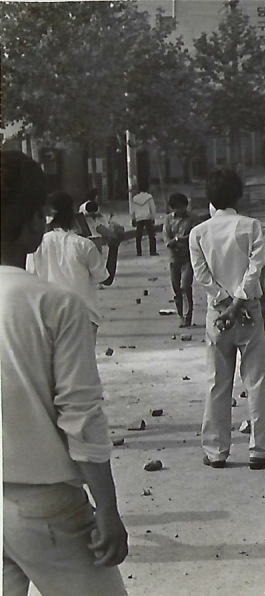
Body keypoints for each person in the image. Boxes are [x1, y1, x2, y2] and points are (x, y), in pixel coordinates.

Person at [1, 150, 128, 596]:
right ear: (36, 221)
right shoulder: (55, 306)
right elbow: (80, 416)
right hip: (46, 503)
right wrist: (108, 509)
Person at [189, 168, 265, 470]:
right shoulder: (250, 226)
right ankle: (260, 449)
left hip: (218, 316)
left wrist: (225, 303)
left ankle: (216, 450)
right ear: (239, 195)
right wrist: (240, 300)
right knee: (255, 381)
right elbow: (257, 268)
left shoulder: (198, 233)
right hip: (248, 312)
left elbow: (202, 276)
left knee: (217, 382)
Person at [27, 192, 118, 334]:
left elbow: (30, 281)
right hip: (83, 318)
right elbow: (107, 279)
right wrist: (114, 247)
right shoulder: (83, 245)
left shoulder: (35, 246)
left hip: (48, 319)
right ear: (73, 215)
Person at [163, 193, 199, 328]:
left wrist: (178, 240)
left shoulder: (193, 219)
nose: (180, 210)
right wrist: (173, 242)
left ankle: (187, 316)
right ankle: (180, 315)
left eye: (182, 207)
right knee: (176, 288)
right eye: (177, 208)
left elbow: (194, 235)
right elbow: (166, 237)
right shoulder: (168, 220)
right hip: (174, 258)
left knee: (185, 286)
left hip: (188, 258)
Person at [129, 179, 158, 256]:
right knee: (151, 235)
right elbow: (153, 208)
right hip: (147, 217)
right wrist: (153, 217)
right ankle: (152, 251)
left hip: (139, 217)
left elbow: (132, 209)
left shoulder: (135, 198)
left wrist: (133, 218)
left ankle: (139, 252)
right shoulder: (149, 197)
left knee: (138, 235)